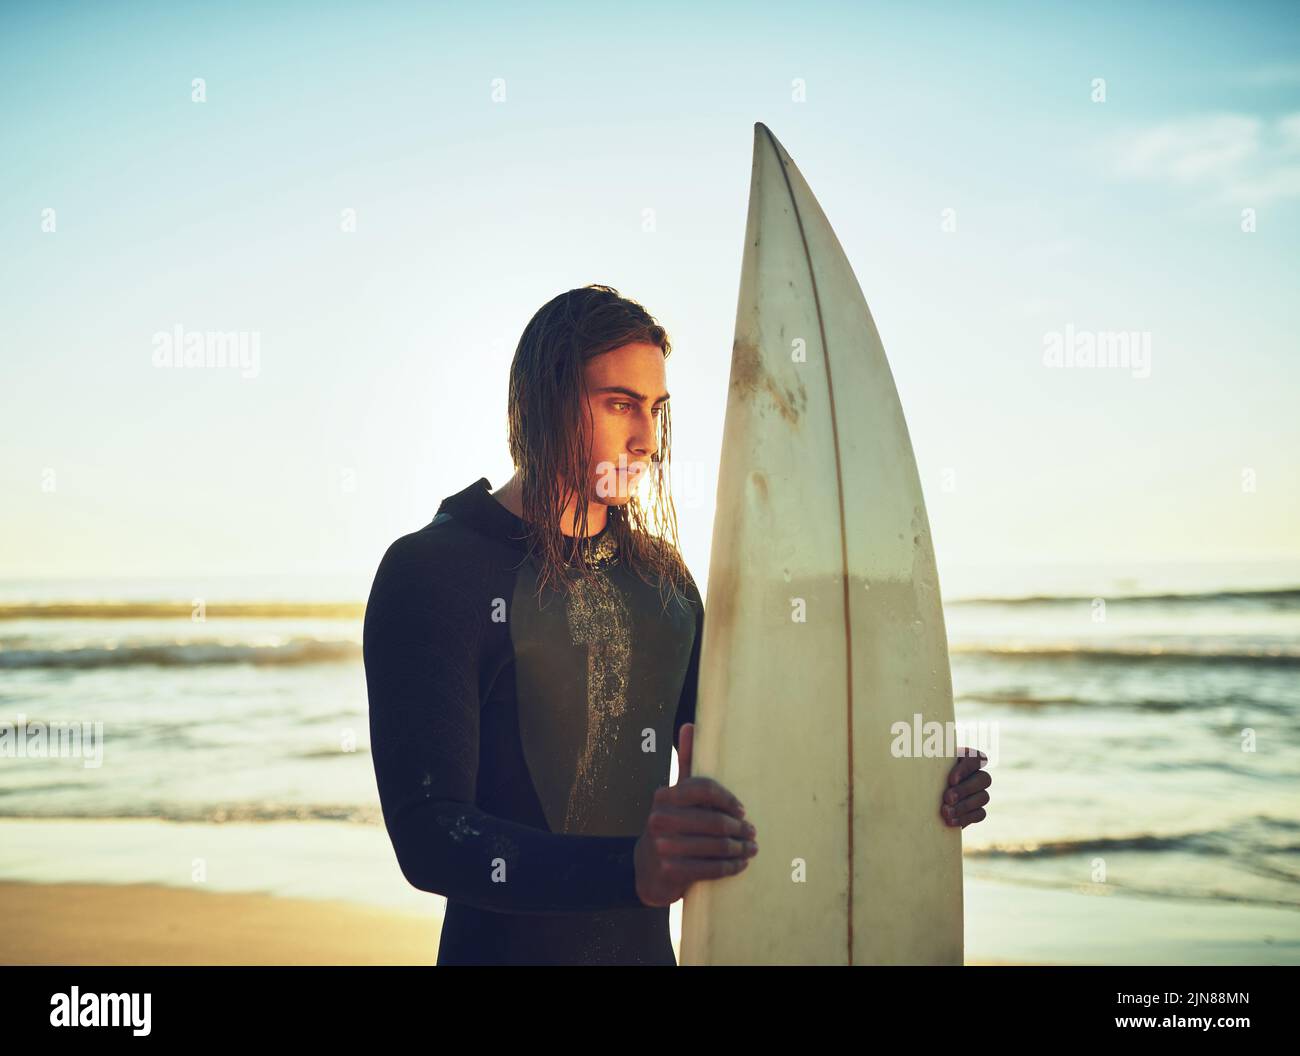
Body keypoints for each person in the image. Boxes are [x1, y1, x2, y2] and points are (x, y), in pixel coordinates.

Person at [362, 285, 754, 965]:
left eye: (656, 409)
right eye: (619, 404)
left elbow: (746, 762)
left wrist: (912, 794)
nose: (648, 440)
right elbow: (430, 834)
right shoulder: (434, 571)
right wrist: (630, 870)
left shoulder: (662, 582)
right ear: (544, 403)